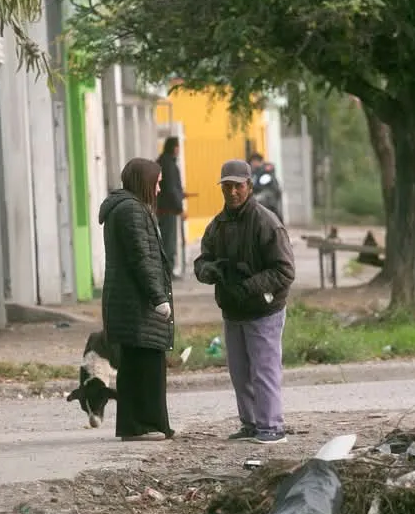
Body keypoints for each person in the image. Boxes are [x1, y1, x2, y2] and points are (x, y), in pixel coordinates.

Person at [194, 159, 296, 444]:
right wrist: (208, 270)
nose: (233, 192)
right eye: (227, 186)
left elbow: (285, 271)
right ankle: (251, 425)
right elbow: (202, 259)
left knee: (264, 371)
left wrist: (249, 287)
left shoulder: (266, 222)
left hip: (264, 310)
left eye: (238, 186)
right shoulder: (218, 224)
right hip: (233, 310)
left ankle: (271, 427)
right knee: (241, 374)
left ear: (249, 186)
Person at [98, 158, 175, 442]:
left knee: (134, 365)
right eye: (156, 183)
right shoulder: (132, 211)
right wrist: (158, 298)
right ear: (144, 182)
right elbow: (142, 259)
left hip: (128, 302)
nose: (158, 190)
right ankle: (147, 423)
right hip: (137, 304)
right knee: (148, 364)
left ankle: (134, 425)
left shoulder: (125, 208)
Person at [156, 136, 187, 277]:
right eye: (178, 146)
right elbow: (171, 189)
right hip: (168, 210)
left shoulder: (162, 162)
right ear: (174, 147)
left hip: (161, 208)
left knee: (164, 240)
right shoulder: (169, 165)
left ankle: (165, 271)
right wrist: (180, 208)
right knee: (169, 242)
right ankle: (168, 272)